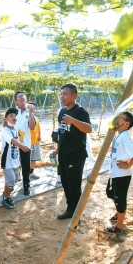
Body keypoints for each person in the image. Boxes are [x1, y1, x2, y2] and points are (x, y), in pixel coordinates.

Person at [51, 83, 92, 220]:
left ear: (74, 95)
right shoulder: (62, 111)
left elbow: (88, 129)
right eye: (61, 94)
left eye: (65, 94)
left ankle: (76, 215)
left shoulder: (80, 112)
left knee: (74, 187)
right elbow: (62, 134)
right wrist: (57, 150)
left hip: (75, 156)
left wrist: (73, 121)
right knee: (66, 184)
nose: (62, 97)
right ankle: (70, 209)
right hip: (63, 155)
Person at [104, 111, 133, 234]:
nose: (118, 119)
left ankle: (119, 227)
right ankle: (120, 212)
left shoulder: (125, 136)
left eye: (121, 118)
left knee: (120, 198)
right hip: (115, 172)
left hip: (122, 174)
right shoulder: (119, 134)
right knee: (110, 193)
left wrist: (128, 164)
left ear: (126, 123)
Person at [1, 108, 30, 209]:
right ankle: (6, 197)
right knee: (11, 180)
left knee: (15, 179)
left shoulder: (15, 130)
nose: (14, 117)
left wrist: (22, 147)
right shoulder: (5, 131)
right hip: (7, 161)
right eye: (11, 116)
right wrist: (22, 146)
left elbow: (18, 143)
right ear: (6, 119)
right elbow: (12, 141)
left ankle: (6, 192)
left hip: (15, 160)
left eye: (14, 115)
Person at [14, 91, 36, 195]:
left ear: (26, 98)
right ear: (16, 101)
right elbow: (6, 124)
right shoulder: (13, 111)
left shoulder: (30, 110)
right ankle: (11, 184)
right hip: (13, 143)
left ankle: (26, 184)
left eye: (23, 95)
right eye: (18, 97)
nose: (21, 97)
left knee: (26, 165)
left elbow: (32, 127)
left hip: (25, 143)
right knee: (14, 163)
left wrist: (31, 113)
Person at [28, 101, 42, 180]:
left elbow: (39, 128)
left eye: (33, 108)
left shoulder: (36, 118)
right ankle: (21, 174)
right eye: (29, 108)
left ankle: (31, 172)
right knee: (25, 159)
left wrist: (40, 135)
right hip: (28, 142)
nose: (32, 109)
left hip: (35, 141)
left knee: (34, 158)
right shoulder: (25, 118)